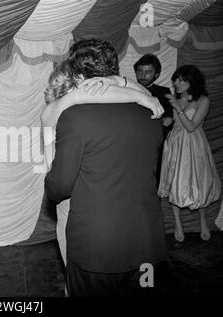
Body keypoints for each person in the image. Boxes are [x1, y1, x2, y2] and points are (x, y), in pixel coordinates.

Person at [45, 39, 168, 297]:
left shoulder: (73, 117)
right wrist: (124, 85)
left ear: (77, 74)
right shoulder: (150, 111)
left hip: (96, 242)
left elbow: (58, 187)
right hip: (146, 240)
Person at [158, 65, 220, 242]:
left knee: (198, 181)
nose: (176, 83)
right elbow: (176, 122)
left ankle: (202, 222)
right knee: (174, 181)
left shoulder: (203, 100)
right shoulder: (175, 98)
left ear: (191, 81)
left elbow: (192, 127)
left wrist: (178, 108)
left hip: (194, 144)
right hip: (175, 143)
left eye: (180, 80)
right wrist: (167, 120)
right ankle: (178, 223)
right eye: (175, 79)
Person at [134, 54, 174, 184]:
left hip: (154, 146)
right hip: (129, 143)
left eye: (148, 72)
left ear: (156, 74)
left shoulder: (164, 92)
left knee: (153, 181)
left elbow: (168, 121)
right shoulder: (127, 91)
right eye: (140, 71)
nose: (143, 75)